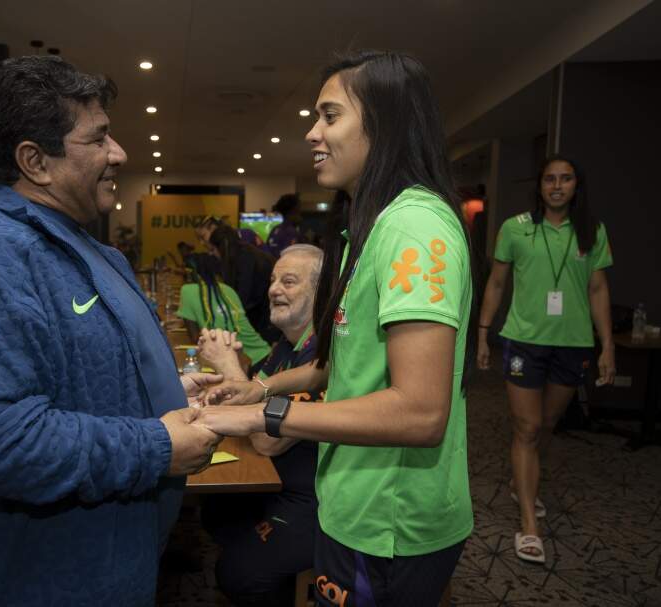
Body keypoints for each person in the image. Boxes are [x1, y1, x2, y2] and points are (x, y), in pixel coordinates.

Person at [0, 56, 223, 607]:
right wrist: (155, 446)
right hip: (46, 580)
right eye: (97, 138)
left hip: (112, 562)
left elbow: (78, 367)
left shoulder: (82, 248)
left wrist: (157, 390)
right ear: (35, 161)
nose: (118, 153)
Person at [196, 50, 474, 606]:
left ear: (384, 123)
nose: (312, 132)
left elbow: (420, 411)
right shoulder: (367, 228)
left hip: (390, 520)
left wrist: (261, 414)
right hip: (351, 503)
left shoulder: (413, 226)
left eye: (329, 115)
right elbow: (342, 362)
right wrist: (263, 386)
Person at [477, 155, 615, 564]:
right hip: (523, 342)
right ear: (539, 186)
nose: (557, 186)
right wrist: (483, 334)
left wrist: (608, 344)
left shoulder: (593, 231)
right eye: (550, 179)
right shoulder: (515, 229)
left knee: (547, 425)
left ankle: (524, 481)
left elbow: (598, 291)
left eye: (566, 178)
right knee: (527, 426)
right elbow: (497, 283)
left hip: (572, 344)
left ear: (577, 185)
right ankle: (528, 523)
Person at [197, 244, 323, 607]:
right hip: (274, 482)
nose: (273, 289)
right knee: (216, 514)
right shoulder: (283, 346)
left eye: (289, 281)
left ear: (321, 293)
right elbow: (246, 401)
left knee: (237, 572)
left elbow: (267, 440)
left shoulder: (323, 356)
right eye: (272, 280)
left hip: (314, 498)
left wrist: (228, 367)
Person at [177, 252, 271, 365]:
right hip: (264, 353)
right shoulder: (228, 289)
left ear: (189, 272)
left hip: (245, 362)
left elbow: (195, 338)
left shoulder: (187, 290)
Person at [209, 223, 280, 343]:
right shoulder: (243, 253)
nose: (211, 254)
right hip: (264, 313)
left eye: (212, 249)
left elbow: (241, 299)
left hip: (267, 317)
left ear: (222, 247)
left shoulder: (245, 258)